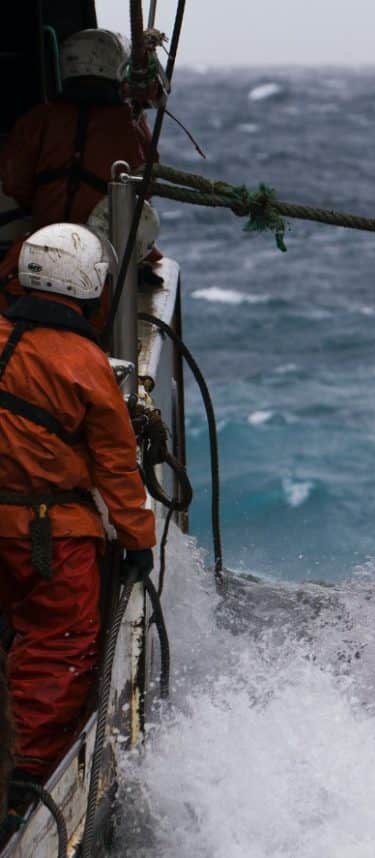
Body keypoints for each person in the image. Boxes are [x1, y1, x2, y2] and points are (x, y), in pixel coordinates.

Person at [0, 223, 155, 782]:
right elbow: (116, 466)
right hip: (48, 538)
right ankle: (26, 779)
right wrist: (138, 541)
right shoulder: (85, 365)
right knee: (58, 647)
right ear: (92, 286)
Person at [0, 28, 154, 313]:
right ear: (117, 71)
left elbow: (14, 182)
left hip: (41, 248)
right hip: (104, 263)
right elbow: (146, 191)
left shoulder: (37, 120)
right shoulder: (130, 127)